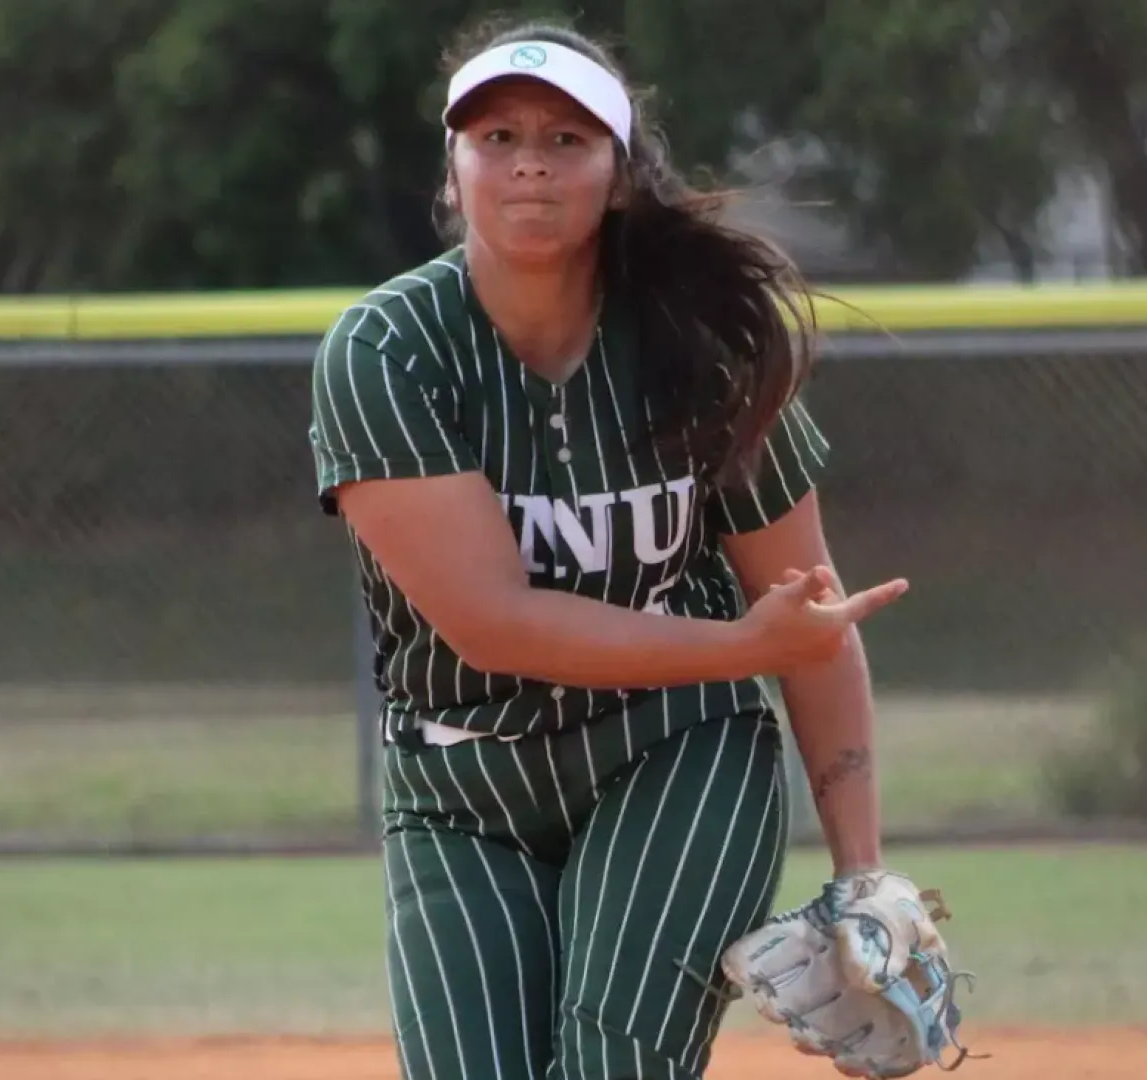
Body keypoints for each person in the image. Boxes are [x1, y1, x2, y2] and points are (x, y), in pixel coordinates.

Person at [308, 15, 956, 1080]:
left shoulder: (699, 342)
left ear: (617, 175)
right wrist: (749, 647)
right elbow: (493, 621)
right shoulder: (387, 352)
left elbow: (813, 618)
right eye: (497, 136)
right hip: (462, 789)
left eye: (568, 139)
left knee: (614, 1065)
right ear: (453, 170)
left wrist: (863, 873)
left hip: (675, 751)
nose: (529, 161)